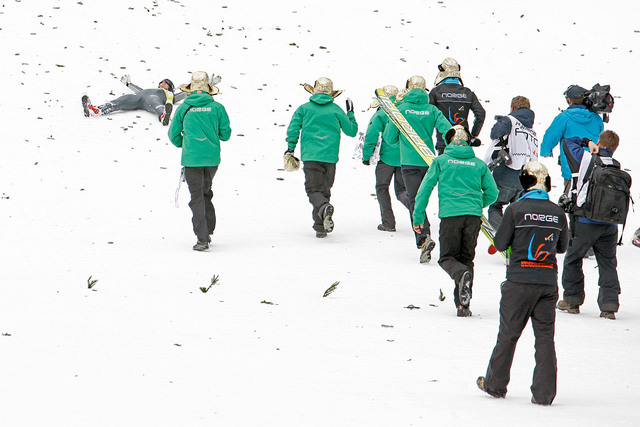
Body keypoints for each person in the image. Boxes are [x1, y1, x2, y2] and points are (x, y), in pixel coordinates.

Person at [477, 161, 569, 406]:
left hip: (519, 281)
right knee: (545, 339)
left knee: (508, 334)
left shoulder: (515, 210)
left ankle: (495, 385)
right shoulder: (558, 212)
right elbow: (562, 247)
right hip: (547, 283)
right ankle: (544, 394)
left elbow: (499, 243)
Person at [412, 125, 498, 316]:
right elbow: (493, 193)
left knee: (447, 258)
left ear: (448, 140)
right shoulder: (479, 164)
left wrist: (418, 216)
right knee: (466, 259)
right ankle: (463, 306)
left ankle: (460, 277)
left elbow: (425, 189)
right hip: (473, 217)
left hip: (451, 215)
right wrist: (476, 205)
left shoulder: (441, 161)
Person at [384, 75, 451, 262]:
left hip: (409, 163)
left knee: (415, 200)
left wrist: (401, 139)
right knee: (431, 198)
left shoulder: (401, 109)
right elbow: (448, 131)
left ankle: (423, 238)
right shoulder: (432, 109)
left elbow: (389, 138)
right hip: (429, 162)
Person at [557, 131, 623, 319]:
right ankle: (609, 304)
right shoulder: (615, 165)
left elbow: (568, 141)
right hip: (609, 223)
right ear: (615, 148)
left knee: (573, 259)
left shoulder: (585, 159)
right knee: (608, 263)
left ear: (599, 142)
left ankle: (572, 300)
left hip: (584, 220)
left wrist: (586, 141)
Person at [285, 77, 358, 238]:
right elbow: (351, 131)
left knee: (313, 189)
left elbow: (293, 129)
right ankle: (320, 227)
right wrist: (351, 113)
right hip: (330, 157)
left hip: (310, 155)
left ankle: (324, 210)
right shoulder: (336, 110)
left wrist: (290, 148)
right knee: (325, 190)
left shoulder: (304, 109)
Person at [168, 71, 231, 251]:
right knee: (206, 191)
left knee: (196, 197)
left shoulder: (183, 108)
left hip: (191, 159)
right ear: (208, 90)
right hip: (212, 159)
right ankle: (208, 229)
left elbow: (173, 135)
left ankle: (202, 238)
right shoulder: (217, 108)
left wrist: (186, 145)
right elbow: (225, 135)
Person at [484, 96, 538, 230]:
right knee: (517, 212)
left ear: (512, 108)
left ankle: (505, 234)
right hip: (524, 180)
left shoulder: (510, 120)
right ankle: (518, 236)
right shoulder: (531, 131)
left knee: (495, 206)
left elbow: (494, 133)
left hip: (505, 175)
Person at [362, 85, 409, 232]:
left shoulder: (381, 113)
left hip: (386, 159)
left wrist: (366, 156)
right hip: (404, 158)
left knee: (382, 188)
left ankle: (388, 223)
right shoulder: (404, 110)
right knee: (402, 191)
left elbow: (371, 136)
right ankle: (417, 211)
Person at [540, 84, 604, 195]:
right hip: (591, 166)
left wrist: (546, 151)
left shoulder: (564, 117)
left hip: (571, 167)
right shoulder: (596, 118)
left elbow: (550, 136)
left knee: (571, 198)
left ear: (568, 100)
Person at [429, 57, 485, 155]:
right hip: (464, 141)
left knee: (445, 169)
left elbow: (428, 115)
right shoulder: (467, 93)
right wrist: (473, 134)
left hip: (444, 141)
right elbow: (480, 113)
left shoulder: (436, 92)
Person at [82, 75, 188, 126]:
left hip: (153, 99)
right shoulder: (151, 89)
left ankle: (163, 116)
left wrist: (191, 91)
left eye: (166, 82)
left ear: (170, 86)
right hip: (139, 96)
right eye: (162, 81)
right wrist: (128, 84)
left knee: (156, 103)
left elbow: (182, 95)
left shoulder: (169, 94)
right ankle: (95, 110)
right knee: (121, 100)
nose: (163, 82)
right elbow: (139, 90)